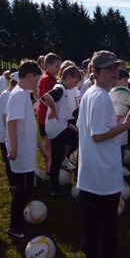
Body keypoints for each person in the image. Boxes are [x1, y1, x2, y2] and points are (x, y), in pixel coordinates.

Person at [77, 50, 130, 258]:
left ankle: (92, 256)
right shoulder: (102, 97)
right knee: (108, 221)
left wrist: (118, 120)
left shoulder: (89, 94)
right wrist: (127, 125)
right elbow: (97, 135)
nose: (115, 72)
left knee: (91, 220)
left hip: (91, 171)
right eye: (109, 68)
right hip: (103, 172)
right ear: (95, 71)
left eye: (116, 67)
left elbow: (88, 128)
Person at [6, 60, 46, 239]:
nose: (37, 84)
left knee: (27, 187)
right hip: (20, 154)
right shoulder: (19, 95)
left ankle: (20, 221)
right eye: (36, 81)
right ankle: (15, 226)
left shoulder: (22, 94)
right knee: (22, 190)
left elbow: (24, 124)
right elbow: (11, 121)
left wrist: (40, 148)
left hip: (26, 152)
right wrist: (14, 149)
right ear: (29, 76)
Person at [42, 65, 82, 196]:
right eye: (75, 82)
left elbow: (64, 120)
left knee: (59, 156)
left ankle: (55, 185)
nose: (75, 85)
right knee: (77, 144)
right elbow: (46, 97)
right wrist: (53, 111)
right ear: (68, 77)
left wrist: (77, 129)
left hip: (58, 127)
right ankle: (58, 185)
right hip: (56, 129)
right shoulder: (60, 88)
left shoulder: (62, 88)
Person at [38, 53, 62, 175]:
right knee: (49, 145)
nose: (59, 68)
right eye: (57, 66)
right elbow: (43, 98)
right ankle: (49, 170)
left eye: (60, 66)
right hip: (45, 118)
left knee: (52, 144)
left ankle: (51, 168)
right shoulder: (46, 79)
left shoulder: (53, 78)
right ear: (48, 66)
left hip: (51, 116)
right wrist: (54, 109)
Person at [0, 72, 19, 192]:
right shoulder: (8, 95)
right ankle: (13, 183)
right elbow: (5, 117)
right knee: (10, 161)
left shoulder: (7, 93)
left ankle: (16, 181)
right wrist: (10, 136)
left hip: (6, 133)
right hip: (5, 134)